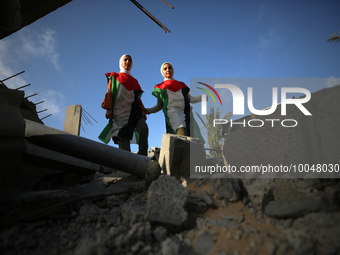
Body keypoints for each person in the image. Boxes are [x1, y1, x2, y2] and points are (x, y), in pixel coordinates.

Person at [99, 54, 149, 156]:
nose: (127, 62)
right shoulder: (114, 76)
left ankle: (142, 156)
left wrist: (143, 110)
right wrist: (108, 109)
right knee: (123, 137)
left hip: (134, 111)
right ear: (121, 62)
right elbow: (109, 92)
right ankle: (128, 162)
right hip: (119, 111)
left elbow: (138, 98)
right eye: (125, 60)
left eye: (130, 60)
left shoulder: (135, 81)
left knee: (144, 128)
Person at [147, 62, 203, 138]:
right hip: (172, 113)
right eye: (165, 68)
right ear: (162, 72)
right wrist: (147, 110)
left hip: (187, 114)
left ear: (173, 70)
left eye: (170, 68)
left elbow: (190, 99)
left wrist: (201, 97)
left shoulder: (182, 85)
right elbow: (159, 106)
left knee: (193, 136)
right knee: (181, 131)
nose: (168, 70)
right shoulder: (159, 87)